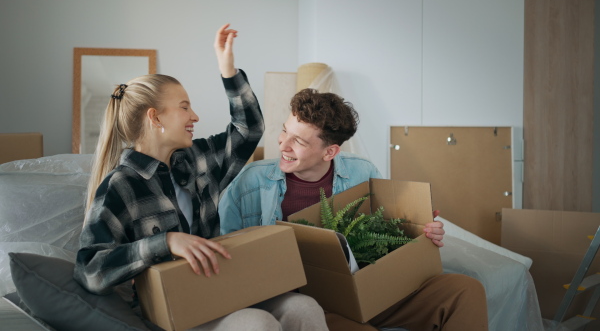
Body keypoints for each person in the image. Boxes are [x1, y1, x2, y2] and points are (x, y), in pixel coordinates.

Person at [74, 24, 328, 331]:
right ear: (155, 118)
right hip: (171, 309)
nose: (195, 116)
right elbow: (89, 269)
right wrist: (165, 242)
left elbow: (249, 130)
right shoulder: (120, 185)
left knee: (305, 307)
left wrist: (228, 70)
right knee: (255, 323)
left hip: (218, 290)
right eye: (184, 107)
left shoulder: (194, 161)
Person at [219, 88, 489, 330]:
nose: (283, 144)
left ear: (329, 152)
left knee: (465, 290)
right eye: (285, 130)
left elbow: (387, 237)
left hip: (368, 289)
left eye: (299, 141)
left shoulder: (363, 172)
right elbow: (227, 251)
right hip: (310, 301)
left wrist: (421, 233)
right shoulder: (250, 182)